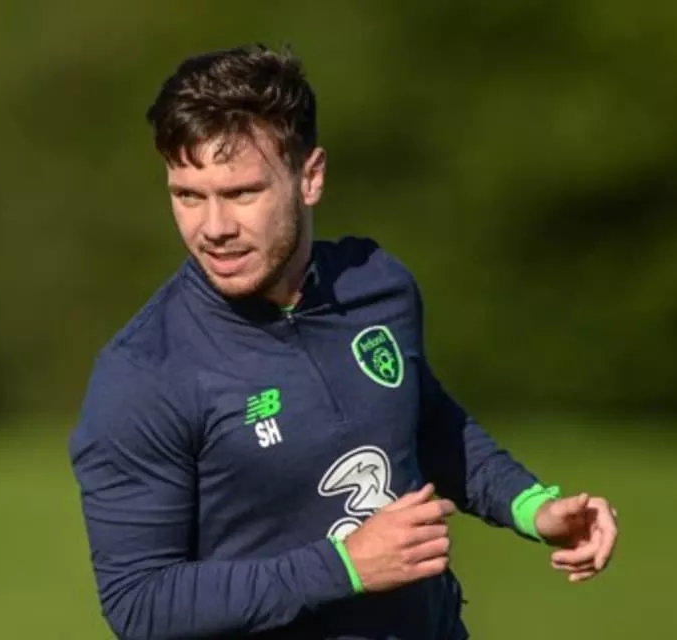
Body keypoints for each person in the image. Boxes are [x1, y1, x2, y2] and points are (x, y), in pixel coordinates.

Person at [67, 43, 619, 640]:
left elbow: (424, 421)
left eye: (242, 193)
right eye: (188, 196)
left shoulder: (378, 286)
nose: (214, 227)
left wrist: (533, 507)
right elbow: (139, 602)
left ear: (310, 177)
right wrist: (345, 567)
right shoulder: (144, 373)